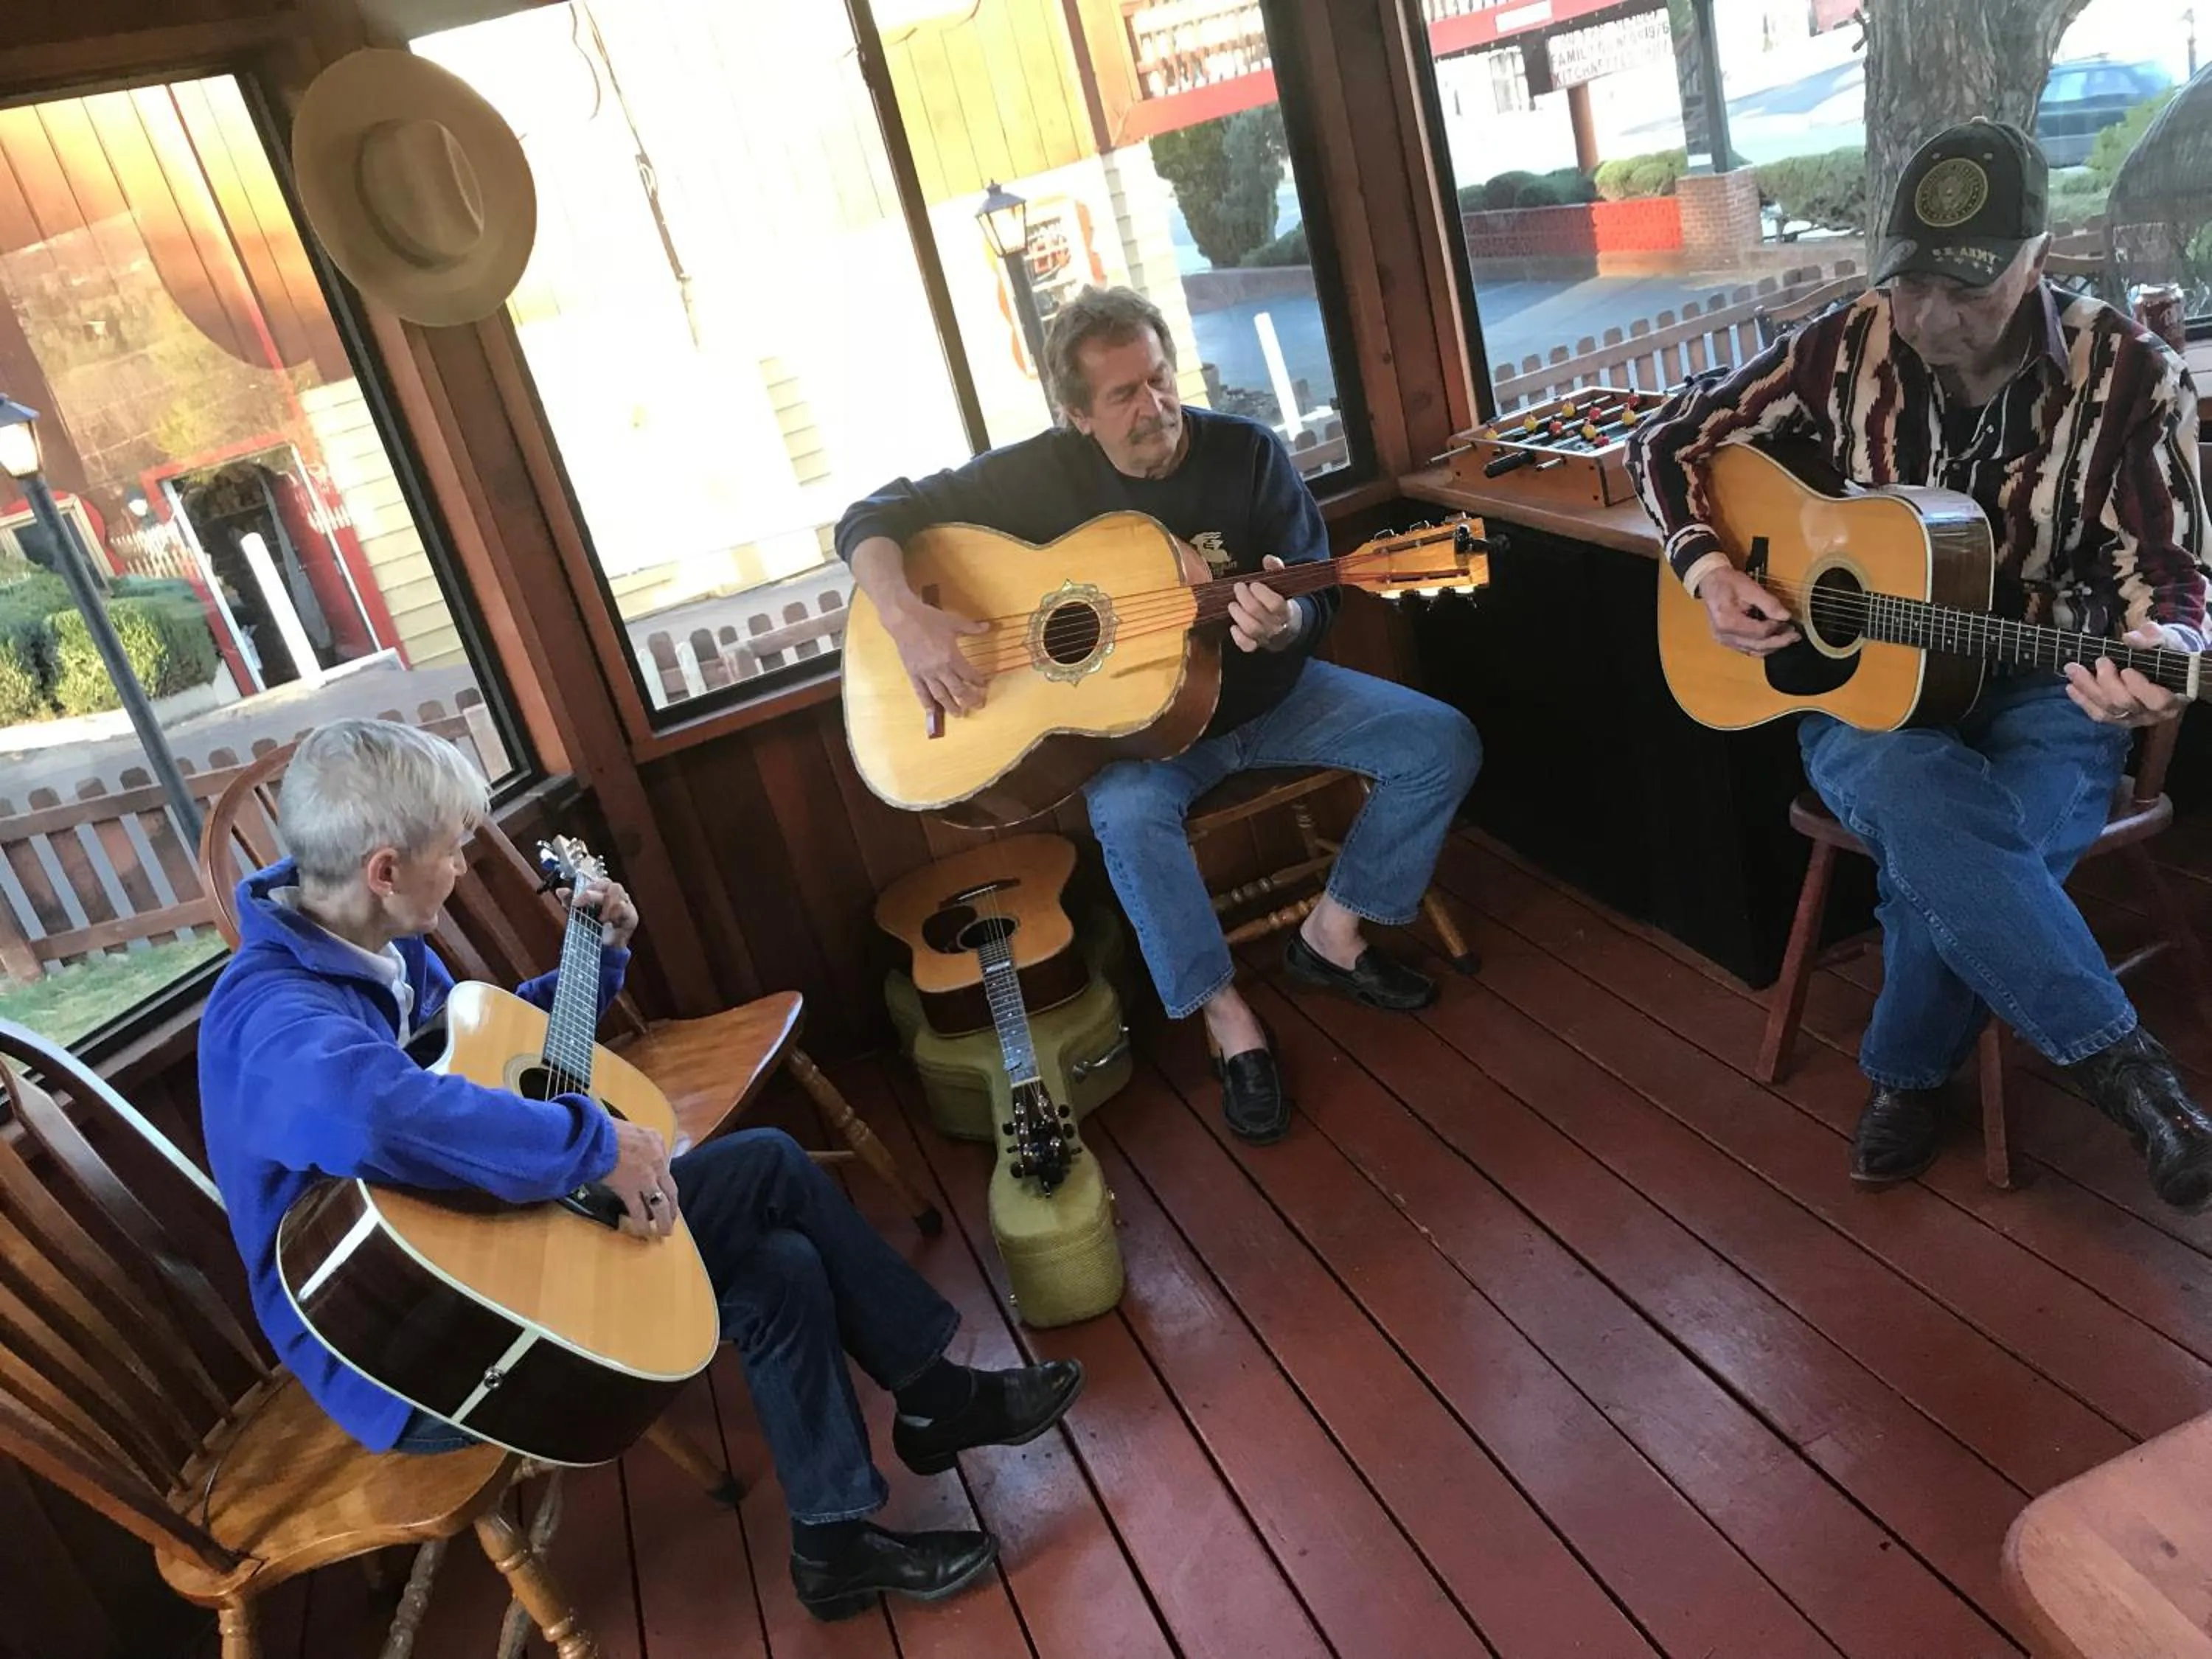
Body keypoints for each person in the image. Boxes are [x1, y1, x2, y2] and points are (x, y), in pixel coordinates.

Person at [197, 718, 1083, 1621]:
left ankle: (836, 1540)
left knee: (782, 1271)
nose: (463, 868)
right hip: (416, 1345)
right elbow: (388, 1116)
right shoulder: (275, 1024)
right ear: (384, 869)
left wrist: (596, 959)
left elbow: (474, 1066)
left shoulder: (368, 938)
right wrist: (598, 1146)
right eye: (453, 852)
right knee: (771, 1166)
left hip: (469, 1247)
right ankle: (934, 1399)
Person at [1627, 119, 2212, 1208]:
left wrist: (2162, 652)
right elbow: (1669, 440)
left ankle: (1902, 1070)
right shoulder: (1842, 342)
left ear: (2042, 253)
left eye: (1972, 291)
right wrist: (1708, 569)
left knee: (1964, 855)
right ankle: (2137, 1080)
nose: (1933, 322)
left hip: (2048, 681)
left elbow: (2168, 580)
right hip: (1869, 690)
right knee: (1918, 793)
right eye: (1911, 287)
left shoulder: (2136, 376)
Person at [836, 285, 1481, 1145]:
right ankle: (1226, 1018)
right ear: (1076, 414)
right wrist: (909, 623)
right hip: (1153, 741)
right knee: (1129, 820)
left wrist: (1290, 620)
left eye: (1161, 378)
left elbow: (1320, 592)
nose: (1156, 407)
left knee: (1442, 741)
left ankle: (1333, 933)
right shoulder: (1035, 475)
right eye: (1124, 395)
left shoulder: (1248, 454)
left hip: (1276, 699)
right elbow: (871, 516)